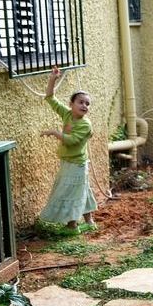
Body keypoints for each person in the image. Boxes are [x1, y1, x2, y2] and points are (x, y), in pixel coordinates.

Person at [39, 67, 97, 233]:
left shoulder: (85, 124)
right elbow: (50, 98)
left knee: (71, 191)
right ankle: (90, 222)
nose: (84, 105)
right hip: (68, 162)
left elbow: (72, 141)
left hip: (77, 164)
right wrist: (52, 79)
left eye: (87, 103)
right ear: (71, 104)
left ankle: (72, 226)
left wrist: (54, 132)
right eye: (81, 102)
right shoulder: (67, 114)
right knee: (82, 190)